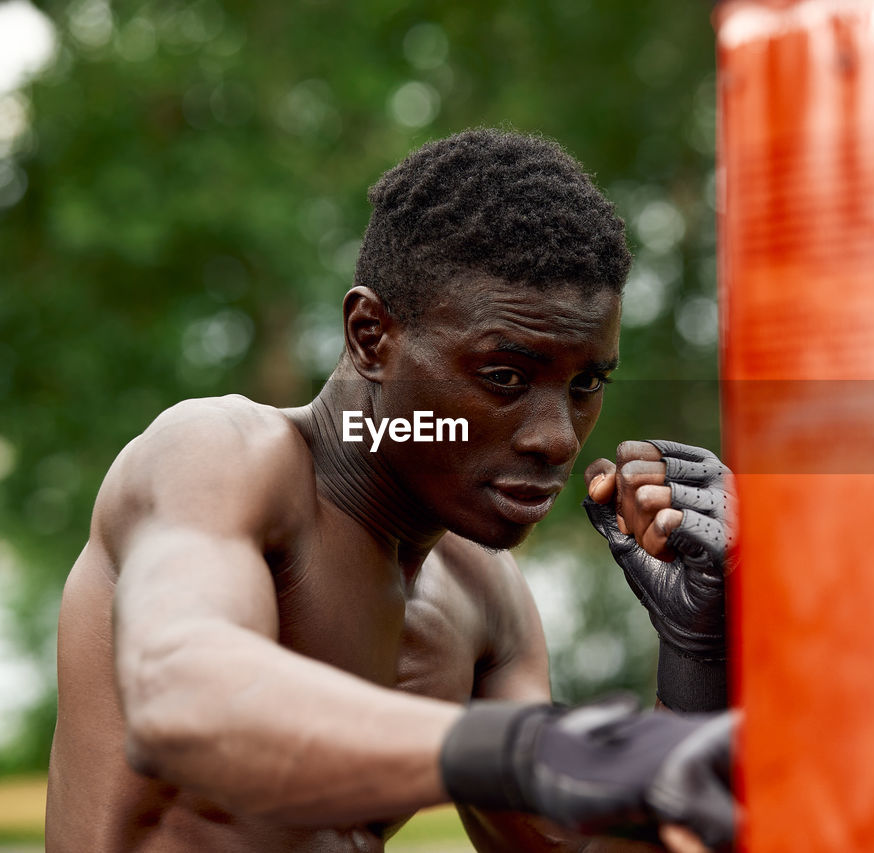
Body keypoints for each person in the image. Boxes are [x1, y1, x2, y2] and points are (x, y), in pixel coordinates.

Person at [45, 129, 738, 853]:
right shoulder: (220, 457)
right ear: (371, 335)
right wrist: (519, 749)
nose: (558, 437)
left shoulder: (481, 590)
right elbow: (180, 698)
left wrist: (697, 660)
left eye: (586, 382)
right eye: (505, 376)